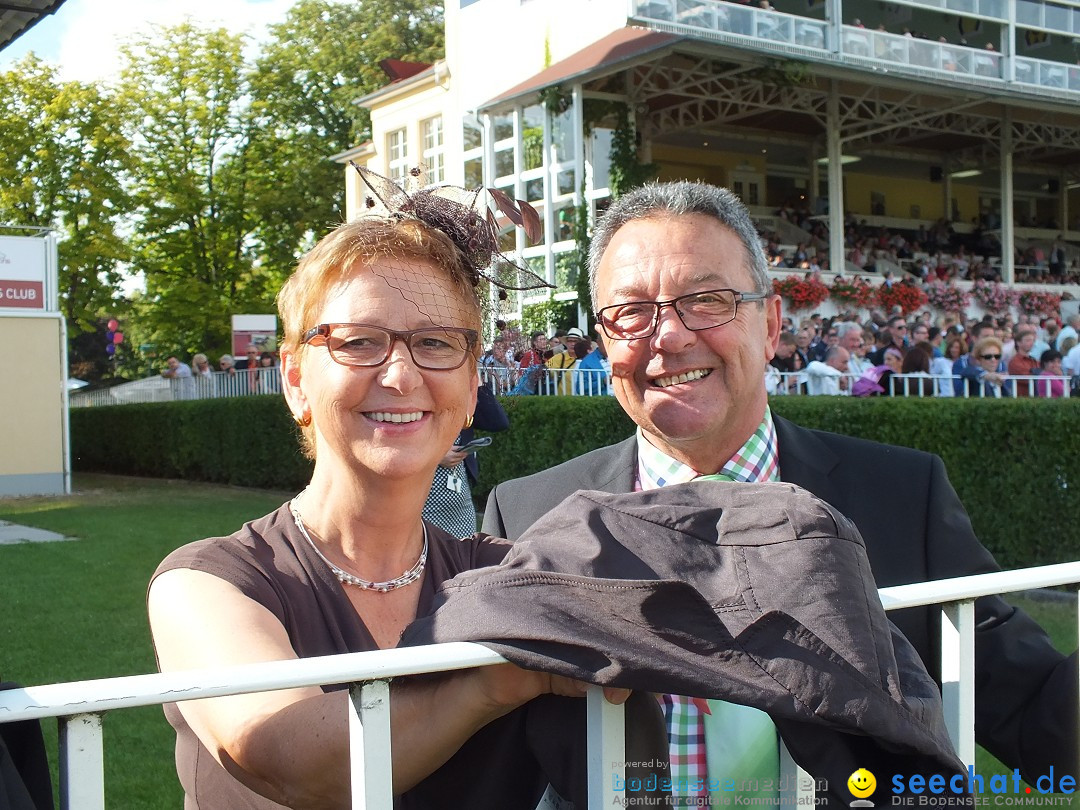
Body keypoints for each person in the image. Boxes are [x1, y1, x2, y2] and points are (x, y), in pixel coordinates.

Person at [482, 180, 1076, 798]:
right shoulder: (527, 515)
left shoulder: (903, 500)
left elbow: (1042, 719)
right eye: (630, 311)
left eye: (706, 300)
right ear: (605, 342)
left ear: (769, 325)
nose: (670, 336)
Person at [148, 194, 630, 808]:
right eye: (359, 341)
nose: (401, 375)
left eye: (436, 343)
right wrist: (487, 684)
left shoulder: (508, 575)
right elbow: (281, 756)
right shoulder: (207, 586)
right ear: (295, 379)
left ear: (472, 379)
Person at [423, 382, 508, 538]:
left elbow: (497, 422)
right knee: (428, 554)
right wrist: (435, 454)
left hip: (459, 497)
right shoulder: (416, 389)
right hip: (421, 496)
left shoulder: (462, 392)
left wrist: (476, 381)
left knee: (462, 555)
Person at [1007, 325, 1040, 397]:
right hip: (1022, 398)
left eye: (1033, 340)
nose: (1032, 343)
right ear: (1018, 343)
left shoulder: (1034, 360)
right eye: (1028, 340)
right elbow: (1028, 379)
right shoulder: (1015, 362)